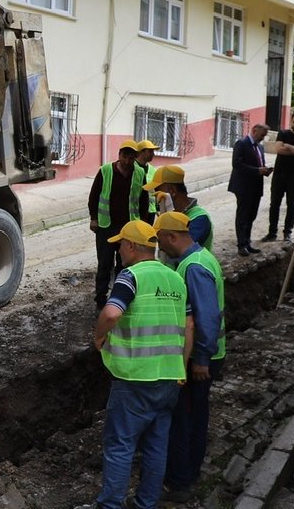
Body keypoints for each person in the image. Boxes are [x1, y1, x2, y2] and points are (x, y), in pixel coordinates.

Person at [90, 220, 193, 509]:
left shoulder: (130, 276)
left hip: (135, 378)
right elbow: (189, 325)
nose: (119, 250)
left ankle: (110, 505)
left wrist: (99, 336)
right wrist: (181, 367)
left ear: (132, 246)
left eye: (121, 244)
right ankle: (146, 503)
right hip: (168, 377)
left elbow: (111, 314)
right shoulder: (175, 278)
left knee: (120, 445)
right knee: (156, 445)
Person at [154, 212, 225, 503]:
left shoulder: (192, 268)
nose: (160, 249)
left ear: (172, 237)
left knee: (183, 418)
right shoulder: (202, 257)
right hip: (207, 353)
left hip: (200, 356)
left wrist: (200, 360)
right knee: (196, 414)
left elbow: (204, 317)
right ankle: (191, 470)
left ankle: (180, 481)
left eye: (161, 242)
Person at [88, 141, 152, 309]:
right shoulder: (106, 171)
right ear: (119, 155)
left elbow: (143, 200)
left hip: (129, 228)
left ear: (135, 157)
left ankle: (120, 298)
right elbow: (93, 197)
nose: (127, 161)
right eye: (125, 157)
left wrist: (143, 224)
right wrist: (93, 218)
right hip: (106, 226)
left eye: (131, 158)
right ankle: (101, 301)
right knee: (104, 264)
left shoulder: (139, 173)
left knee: (125, 264)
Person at [262, 112, 294, 244]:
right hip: (279, 174)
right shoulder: (283, 133)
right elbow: (279, 149)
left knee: (292, 204)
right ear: (291, 121)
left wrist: (289, 146)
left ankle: (287, 232)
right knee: (274, 204)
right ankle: (272, 232)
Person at [144, 165, 213, 252]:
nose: (156, 196)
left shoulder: (199, 218)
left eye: (158, 190)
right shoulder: (177, 213)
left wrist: (168, 213)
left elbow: (174, 249)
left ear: (172, 191)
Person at [227, 124, 272, 256]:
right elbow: (237, 164)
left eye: (265, 136)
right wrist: (257, 171)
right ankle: (241, 245)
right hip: (243, 186)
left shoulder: (260, 147)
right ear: (254, 130)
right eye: (262, 135)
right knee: (243, 215)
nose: (263, 138)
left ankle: (247, 242)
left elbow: (259, 164)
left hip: (256, 186)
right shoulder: (241, 144)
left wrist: (264, 170)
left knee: (252, 215)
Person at [136, 139, 161, 218]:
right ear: (141, 152)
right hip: (136, 211)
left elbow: (157, 191)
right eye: (150, 151)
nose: (153, 154)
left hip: (151, 211)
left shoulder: (153, 170)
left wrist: (158, 209)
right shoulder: (131, 168)